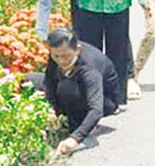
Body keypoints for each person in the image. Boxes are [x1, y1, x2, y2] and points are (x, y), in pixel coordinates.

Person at [24, 29, 121, 157]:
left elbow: (96, 109)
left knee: (66, 88)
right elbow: (50, 80)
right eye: (56, 56)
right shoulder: (58, 53)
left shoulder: (89, 68)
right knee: (29, 79)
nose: (61, 61)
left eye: (66, 56)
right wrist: (50, 108)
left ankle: (81, 123)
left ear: (78, 50)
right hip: (74, 85)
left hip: (104, 101)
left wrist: (75, 139)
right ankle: (64, 115)